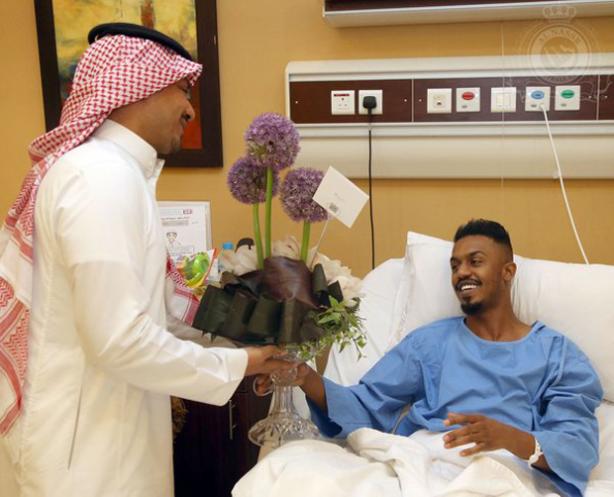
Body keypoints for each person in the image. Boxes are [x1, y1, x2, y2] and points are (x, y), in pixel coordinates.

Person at [0, 23, 289, 497]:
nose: (190, 109)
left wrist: (245, 342)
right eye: (183, 90)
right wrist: (237, 365)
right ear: (137, 87)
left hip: (109, 436)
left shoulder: (116, 173)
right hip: (85, 459)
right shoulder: (100, 178)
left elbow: (156, 314)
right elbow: (120, 340)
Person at [256, 219, 603, 496]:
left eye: (475, 261)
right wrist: (305, 376)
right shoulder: (430, 343)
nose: (461, 272)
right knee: (291, 475)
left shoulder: (557, 354)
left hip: (503, 469)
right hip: (428, 459)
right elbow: (367, 404)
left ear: (507, 272)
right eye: (455, 265)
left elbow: (577, 447)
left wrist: (505, 437)